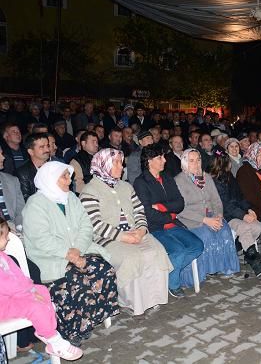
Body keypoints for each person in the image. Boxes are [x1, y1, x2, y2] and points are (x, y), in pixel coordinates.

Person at [22, 161, 119, 345]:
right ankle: (73, 330)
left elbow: (86, 226)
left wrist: (78, 250)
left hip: (79, 251)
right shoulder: (35, 205)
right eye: (64, 177)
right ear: (50, 180)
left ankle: (94, 317)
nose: (69, 181)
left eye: (69, 176)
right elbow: (41, 239)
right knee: (77, 281)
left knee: (104, 269)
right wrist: (69, 254)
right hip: (51, 258)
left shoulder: (71, 198)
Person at [80, 149, 172, 315]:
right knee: (132, 257)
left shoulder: (126, 186)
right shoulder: (89, 191)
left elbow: (139, 211)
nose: (121, 166)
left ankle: (153, 298)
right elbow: (95, 224)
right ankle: (131, 302)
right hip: (107, 239)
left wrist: (142, 230)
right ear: (104, 165)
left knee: (157, 251)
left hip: (135, 232)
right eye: (115, 163)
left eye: (121, 162)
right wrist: (123, 237)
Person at [0, 218, 84, 361]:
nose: (8, 239)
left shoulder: (3, 256)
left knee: (43, 290)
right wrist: (29, 293)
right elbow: (6, 285)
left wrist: (32, 288)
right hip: (3, 303)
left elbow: (18, 274)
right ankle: (53, 339)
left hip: (14, 295)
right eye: (5, 236)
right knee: (34, 306)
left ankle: (46, 329)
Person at [133, 144, 204, 298]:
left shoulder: (166, 177)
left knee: (197, 246)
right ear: (149, 161)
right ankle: (173, 284)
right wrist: (169, 214)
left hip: (173, 224)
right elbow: (147, 212)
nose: (164, 160)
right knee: (178, 251)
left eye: (164, 157)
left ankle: (168, 274)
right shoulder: (141, 182)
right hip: (154, 227)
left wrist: (161, 206)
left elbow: (180, 203)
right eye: (160, 157)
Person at [174, 148, 240, 284]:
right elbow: (181, 209)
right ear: (184, 163)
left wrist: (219, 216)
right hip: (191, 219)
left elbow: (216, 201)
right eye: (191, 161)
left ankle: (224, 267)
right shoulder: (179, 180)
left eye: (198, 160)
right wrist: (205, 220)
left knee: (224, 231)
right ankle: (203, 272)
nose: (196, 163)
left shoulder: (207, 177)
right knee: (206, 235)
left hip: (211, 215)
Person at [210, 151, 261, 278]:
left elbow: (241, 197)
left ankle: (244, 250)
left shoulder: (230, 177)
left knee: (257, 226)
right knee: (244, 227)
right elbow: (225, 205)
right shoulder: (214, 181)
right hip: (224, 215)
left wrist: (249, 209)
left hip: (237, 212)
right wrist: (243, 216)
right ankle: (255, 262)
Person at [15, 133, 50, 201]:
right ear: (31, 152)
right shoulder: (22, 173)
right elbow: (27, 200)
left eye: (47, 146)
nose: (47, 150)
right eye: (42, 147)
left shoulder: (54, 167)